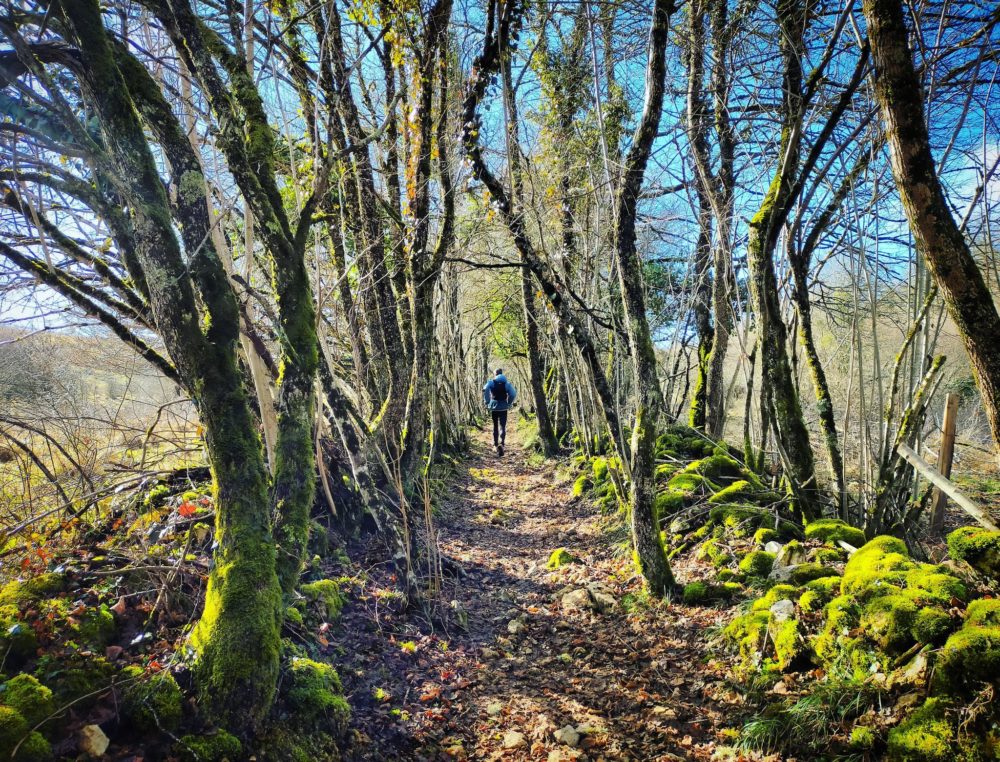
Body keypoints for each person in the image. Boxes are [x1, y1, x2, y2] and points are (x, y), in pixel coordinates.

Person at [483, 368, 517, 456]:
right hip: (503, 407)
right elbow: (513, 393)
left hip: (494, 407)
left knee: (495, 425)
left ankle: (495, 444)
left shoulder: (491, 382)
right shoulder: (507, 384)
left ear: (495, 374)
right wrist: (509, 403)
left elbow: (485, 389)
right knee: (503, 425)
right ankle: (502, 443)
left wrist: (487, 401)